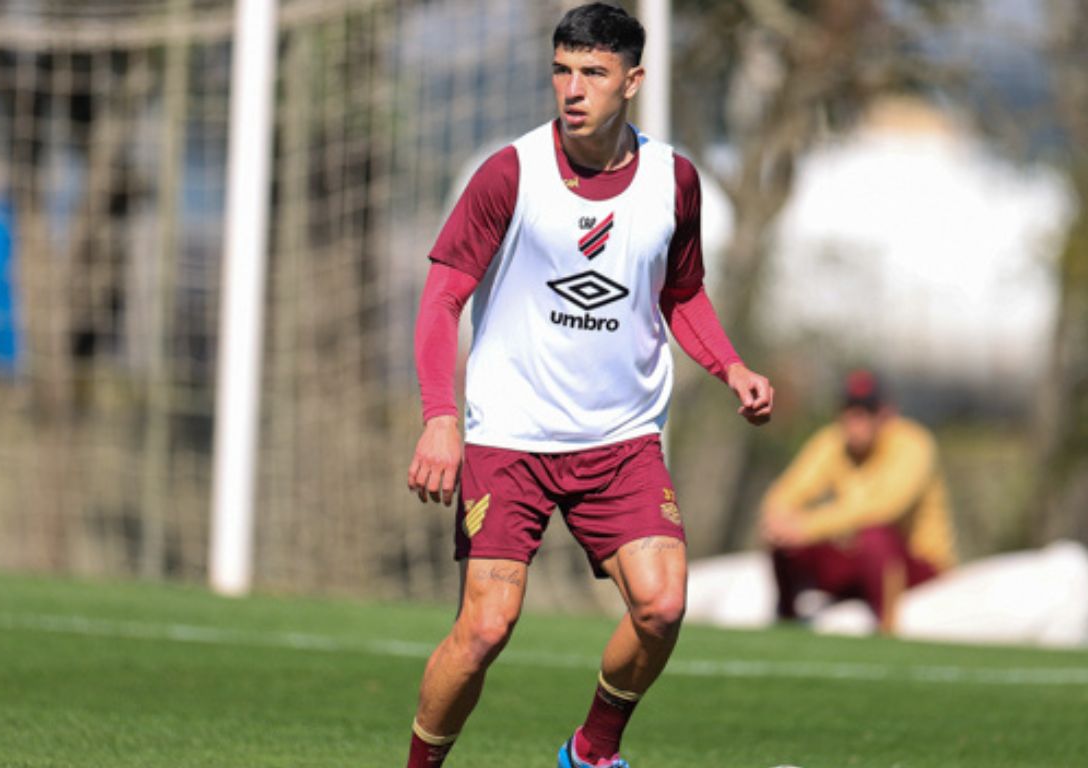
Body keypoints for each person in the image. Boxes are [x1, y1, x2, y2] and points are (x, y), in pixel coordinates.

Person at [403, 5, 774, 766]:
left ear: (632, 81)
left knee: (663, 604)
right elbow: (442, 298)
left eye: (594, 74)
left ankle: (590, 753)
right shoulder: (511, 171)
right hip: (509, 436)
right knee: (484, 630)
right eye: (562, 71)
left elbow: (682, 291)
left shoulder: (674, 180)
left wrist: (730, 366)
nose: (573, 90)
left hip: (621, 439)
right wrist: (441, 416)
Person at [759, 369, 956, 632]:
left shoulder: (913, 443)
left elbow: (885, 508)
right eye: (850, 412)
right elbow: (786, 492)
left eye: (865, 413)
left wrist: (806, 527)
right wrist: (780, 520)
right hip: (854, 558)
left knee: (874, 536)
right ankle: (787, 618)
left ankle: (886, 625)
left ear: (885, 415)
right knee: (786, 539)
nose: (856, 422)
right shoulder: (833, 442)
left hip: (914, 564)